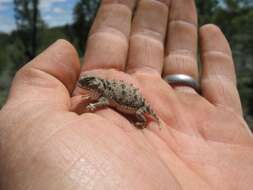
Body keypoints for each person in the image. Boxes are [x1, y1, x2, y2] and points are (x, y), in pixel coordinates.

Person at [0, 0, 253, 189]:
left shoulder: (104, 96)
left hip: (137, 106)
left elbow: (102, 102)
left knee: (143, 116)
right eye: (88, 83)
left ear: (97, 85)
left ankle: (146, 122)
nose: (86, 85)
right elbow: (100, 98)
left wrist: (133, 118)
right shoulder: (100, 91)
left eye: (89, 83)